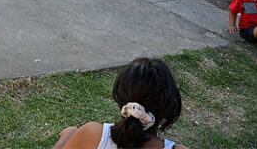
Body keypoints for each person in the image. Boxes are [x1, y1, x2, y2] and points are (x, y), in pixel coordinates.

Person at [53, 57, 185, 149]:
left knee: (70, 132)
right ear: (169, 107)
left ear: (117, 97)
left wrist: (70, 135)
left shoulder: (92, 133)